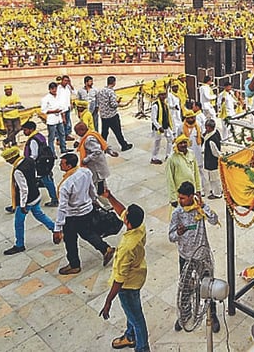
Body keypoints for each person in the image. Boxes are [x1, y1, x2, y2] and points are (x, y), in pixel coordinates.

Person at [98, 190, 150, 352]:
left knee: (136, 318)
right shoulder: (140, 227)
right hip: (137, 277)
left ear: (127, 222)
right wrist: (109, 197)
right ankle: (130, 336)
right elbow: (122, 211)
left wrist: (108, 302)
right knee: (133, 310)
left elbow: (119, 279)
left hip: (127, 286)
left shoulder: (127, 247)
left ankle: (142, 348)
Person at [168, 181, 220, 333]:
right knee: (185, 288)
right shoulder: (177, 213)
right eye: (179, 197)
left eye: (183, 198)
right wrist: (178, 233)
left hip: (202, 256)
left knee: (208, 287)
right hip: (185, 257)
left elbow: (214, 220)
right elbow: (170, 237)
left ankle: (213, 315)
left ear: (191, 197)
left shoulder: (199, 209)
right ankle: (185, 315)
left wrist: (204, 206)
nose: (180, 201)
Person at [52, 153, 115, 275]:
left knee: (70, 239)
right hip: (87, 210)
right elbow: (91, 189)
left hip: (73, 216)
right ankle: (105, 249)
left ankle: (74, 265)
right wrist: (94, 200)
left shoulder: (65, 185)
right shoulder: (85, 172)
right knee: (87, 233)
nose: (60, 164)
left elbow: (62, 207)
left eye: (62, 163)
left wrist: (57, 228)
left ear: (69, 166)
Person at [1, 146, 55, 255]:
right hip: (36, 195)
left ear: (11, 159)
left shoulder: (18, 171)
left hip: (27, 200)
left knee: (18, 223)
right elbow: (34, 176)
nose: (7, 162)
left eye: (7, 160)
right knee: (39, 214)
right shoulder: (28, 160)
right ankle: (55, 228)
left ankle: (19, 245)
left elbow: (23, 189)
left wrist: (22, 205)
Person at [20, 120, 59, 207]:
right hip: (45, 162)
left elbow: (34, 155)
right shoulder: (39, 136)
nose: (24, 132)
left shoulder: (33, 140)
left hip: (40, 165)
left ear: (31, 129)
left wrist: (26, 163)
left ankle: (54, 199)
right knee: (47, 180)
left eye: (25, 130)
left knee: (47, 181)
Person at [75, 121, 118, 197]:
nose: (76, 134)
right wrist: (110, 151)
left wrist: (86, 160)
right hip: (98, 166)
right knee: (101, 185)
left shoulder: (89, 139)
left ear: (82, 130)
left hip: (96, 168)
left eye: (77, 131)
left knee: (100, 188)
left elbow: (97, 152)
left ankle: (107, 205)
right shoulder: (92, 133)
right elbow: (103, 142)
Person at [96, 76, 134, 152]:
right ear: (114, 82)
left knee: (104, 132)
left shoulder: (101, 91)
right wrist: (120, 104)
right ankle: (124, 145)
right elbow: (113, 104)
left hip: (103, 115)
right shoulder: (111, 92)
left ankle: (102, 147)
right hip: (112, 115)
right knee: (117, 132)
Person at [166, 135, 201, 205]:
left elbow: (196, 172)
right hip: (180, 193)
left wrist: (198, 189)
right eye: (180, 143)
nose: (183, 145)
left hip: (191, 191)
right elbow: (169, 179)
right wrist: (173, 198)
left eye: (185, 142)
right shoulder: (171, 158)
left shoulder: (191, 153)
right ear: (177, 145)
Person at [41, 82, 68, 155]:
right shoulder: (46, 98)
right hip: (51, 119)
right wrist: (53, 111)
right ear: (49, 89)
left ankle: (63, 148)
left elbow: (62, 107)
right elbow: (43, 110)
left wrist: (63, 117)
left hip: (59, 118)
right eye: (52, 89)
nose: (54, 90)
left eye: (55, 88)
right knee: (51, 137)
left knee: (62, 134)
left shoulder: (59, 97)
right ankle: (52, 152)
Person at [150, 89, 174, 165]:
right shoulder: (155, 105)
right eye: (162, 95)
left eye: (164, 94)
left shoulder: (165, 104)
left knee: (170, 140)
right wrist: (159, 127)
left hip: (166, 126)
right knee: (157, 142)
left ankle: (168, 155)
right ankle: (154, 157)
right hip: (159, 128)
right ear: (159, 96)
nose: (163, 96)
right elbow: (153, 119)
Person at [201, 119, 224, 199]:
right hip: (212, 160)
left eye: (207, 128)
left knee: (214, 178)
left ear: (211, 128)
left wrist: (219, 157)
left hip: (212, 161)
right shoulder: (216, 132)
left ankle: (217, 193)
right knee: (214, 177)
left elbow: (215, 152)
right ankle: (216, 189)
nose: (206, 129)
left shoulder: (211, 140)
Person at [57, 75, 75, 140]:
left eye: (67, 81)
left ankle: (66, 135)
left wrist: (70, 84)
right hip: (61, 108)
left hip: (67, 107)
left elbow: (74, 92)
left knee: (67, 123)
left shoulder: (68, 87)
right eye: (65, 81)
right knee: (61, 123)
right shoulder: (58, 88)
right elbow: (58, 99)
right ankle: (59, 138)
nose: (66, 82)